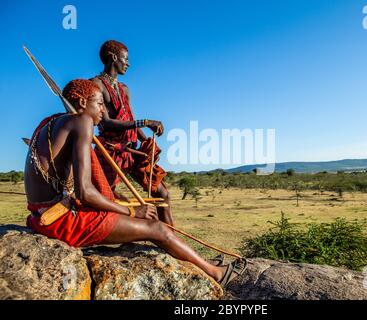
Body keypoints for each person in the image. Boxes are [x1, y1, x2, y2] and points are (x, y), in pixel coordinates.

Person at [24, 79, 245, 286]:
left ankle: (195, 262)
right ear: (82, 103)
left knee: (127, 205)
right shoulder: (81, 121)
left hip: (45, 216)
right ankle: (216, 273)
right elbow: (85, 193)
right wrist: (131, 212)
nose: (103, 111)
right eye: (100, 104)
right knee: (156, 227)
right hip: (62, 222)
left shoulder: (50, 123)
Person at [90, 40, 174, 226]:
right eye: (125, 59)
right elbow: (107, 122)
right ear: (113, 57)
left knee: (162, 193)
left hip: (131, 149)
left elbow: (130, 121)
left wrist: (146, 144)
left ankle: (170, 236)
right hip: (110, 150)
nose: (128, 63)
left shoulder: (124, 89)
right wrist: (146, 122)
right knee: (109, 196)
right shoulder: (96, 85)